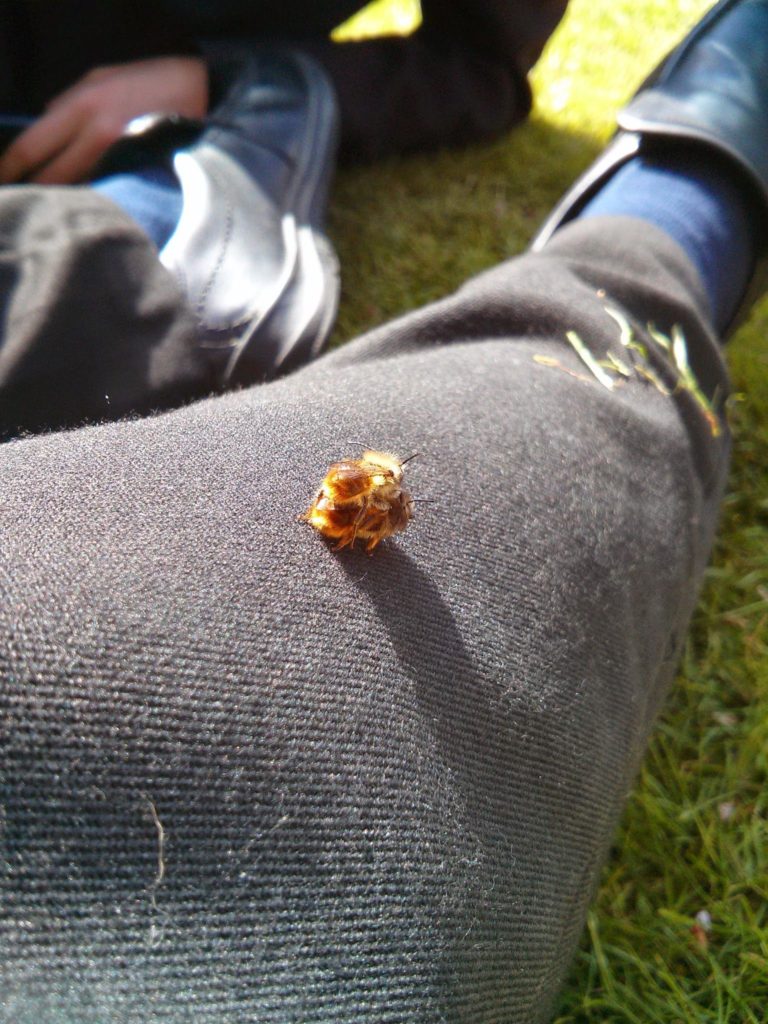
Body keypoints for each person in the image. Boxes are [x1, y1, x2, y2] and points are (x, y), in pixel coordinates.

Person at [1, 0, 766, 1021]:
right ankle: (651, 261)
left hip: (146, 170)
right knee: (543, 390)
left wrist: (229, 75)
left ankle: (655, 238)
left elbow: (475, 68)